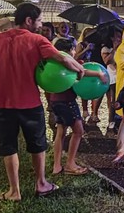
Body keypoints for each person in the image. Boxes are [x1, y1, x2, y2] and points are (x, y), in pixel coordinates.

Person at [0, 2, 85, 202]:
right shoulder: (37, 40)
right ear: (29, 20)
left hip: (3, 104)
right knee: (37, 145)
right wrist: (80, 70)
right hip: (29, 103)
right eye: (38, 20)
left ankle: (14, 191)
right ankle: (41, 184)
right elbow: (62, 59)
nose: (40, 24)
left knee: (9, 146)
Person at [50, 38, 106, 176]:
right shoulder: (68, 62)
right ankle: (70, 164)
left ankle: (56, 166)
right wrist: (99, 74)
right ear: (68, 51)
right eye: (74, 49)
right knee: (78, 131)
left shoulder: (53, 63)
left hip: (55, 100)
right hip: (67, 101)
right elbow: (82, 71)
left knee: (61, 131)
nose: (75, 51)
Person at [102, 29, 123, 132]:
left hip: (121, 77)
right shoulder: (106, 49)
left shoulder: (123, 48)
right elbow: (107, 61)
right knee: (112, 100)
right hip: (112, 78)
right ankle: (111, 122)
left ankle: (119, 121)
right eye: (117, 36)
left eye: (120, 36)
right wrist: (115, 49)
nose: (119, 38)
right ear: (111, 38)